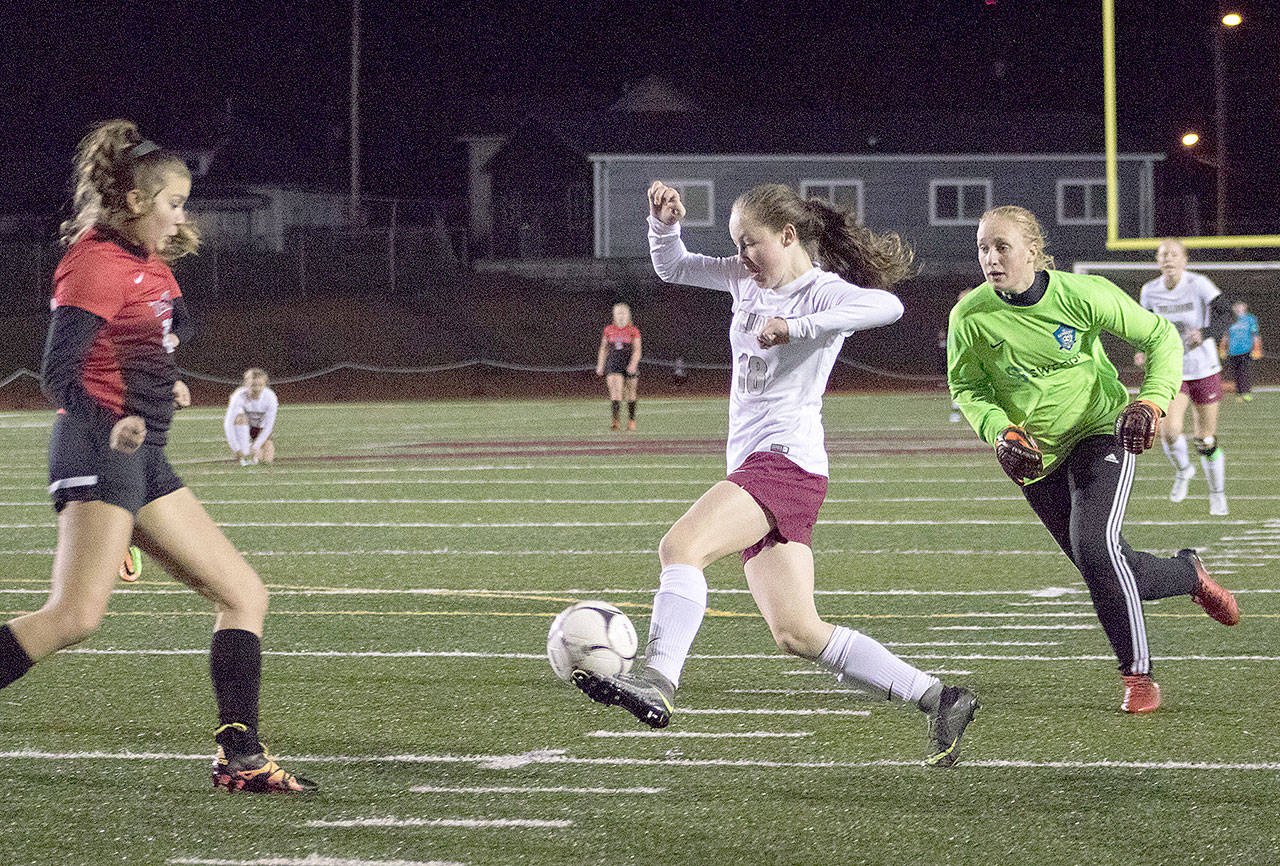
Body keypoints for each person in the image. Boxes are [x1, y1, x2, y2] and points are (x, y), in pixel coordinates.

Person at [574, 180, 979, 768]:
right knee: (797, 632)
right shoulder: (745, 279)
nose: (741, 257)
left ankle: (657, 680)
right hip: (778, 469)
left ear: (788, 236)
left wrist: (799, 327)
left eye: (750, 243)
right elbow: (674, 267)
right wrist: (664, 224)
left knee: (680, 546)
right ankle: (940, 697)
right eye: (737, 245)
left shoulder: (821, 292)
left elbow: (887, 305)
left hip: (783, 461)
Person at [0, 119, 315, 793]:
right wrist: (110, 421)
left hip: (144, 460)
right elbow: (58, 371)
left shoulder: (150, 268)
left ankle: (241, 758)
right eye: (173, 202)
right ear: (137, 201)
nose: (181, 216)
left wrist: (163, 373)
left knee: (243, 594)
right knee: (74, 617)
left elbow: (167, 325)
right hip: (99, 449)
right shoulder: (92, 261)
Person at [948, 206, 1240, 714]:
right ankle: (1188, 575)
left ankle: (1138, 676)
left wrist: (1151, 400)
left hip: (1099, 430)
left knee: (1097, 547)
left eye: (1002, 247)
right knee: (1104, 566)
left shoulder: (1081, 295)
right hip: (1034, 456)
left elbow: (1160, 337)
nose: (990, 259)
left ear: (1033, 252)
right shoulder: (969, 315)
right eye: (982, 248)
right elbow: (967, 387)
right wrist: (1000, 432)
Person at [1134, 239, 1234, 515]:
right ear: (1157, 261)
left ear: (1184, 260)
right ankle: (1183, 471)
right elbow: (1146, 327)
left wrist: (1206, 333)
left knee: (1205, 439)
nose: (1168, 259)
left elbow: (1227, 313)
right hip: (1172, 369)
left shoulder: (1198, 284)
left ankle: (1217, 493)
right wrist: (1143, 350)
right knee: (1169, 432)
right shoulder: (1150, 291)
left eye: (1174, 254)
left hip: (1203, 368)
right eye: (1163, 255)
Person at [595, 303, 642, 430]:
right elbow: (603, 348)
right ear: (614, 315)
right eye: (618, 313)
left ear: (628, 314)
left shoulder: (633, 330)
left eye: (623, 313)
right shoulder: (608, 330)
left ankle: (631, 421)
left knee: (630, 393)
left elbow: (637, 350)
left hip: (628, 364)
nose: (621, 316)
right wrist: (600, 365)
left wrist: (633, 364)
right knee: (615, 392)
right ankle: (615, 422)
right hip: (613, 363)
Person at [224, 368, 278, 465]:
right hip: (242, 429)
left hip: (258, 429)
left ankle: (251, 449)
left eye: (260, 385)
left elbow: (269, 426)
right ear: (246, 384)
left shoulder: (270, 398)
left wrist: (255, 447)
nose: (257, 389)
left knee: (267, 460)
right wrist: (236, 448)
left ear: (265, 385)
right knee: (240, 418)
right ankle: (244, 448)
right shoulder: (238, 396)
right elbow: (228, 423)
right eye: (253, 385)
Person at [1222, 300, 1262, 403]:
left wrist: (1257, 349)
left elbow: (1255, 335)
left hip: (1246, 350)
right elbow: (1226, 336)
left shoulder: (1250, 319)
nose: (1238, 309)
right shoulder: (1230, 320)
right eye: (1236, 307)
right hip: (1233, 351)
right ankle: (1239, 393)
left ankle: (1246, 392)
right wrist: (1223, 349)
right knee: (1235, 373)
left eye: (1241, 306)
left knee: (1244, 372)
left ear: (1245, 307)